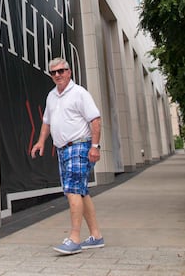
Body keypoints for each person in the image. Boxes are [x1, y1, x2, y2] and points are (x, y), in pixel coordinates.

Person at [30, 57, 105, 254]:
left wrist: (95, 146)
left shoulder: (80, 93)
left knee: (72, 189)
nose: (57, 75)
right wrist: (40, 141)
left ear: (69, 72)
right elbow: (47, 121)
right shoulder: (51, 96)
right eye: (53, 72)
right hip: (63, 149)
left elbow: (95, 120)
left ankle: (74, 238)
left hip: (79, 146)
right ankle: (96, 236)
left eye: (61, 71)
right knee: (80, 191)